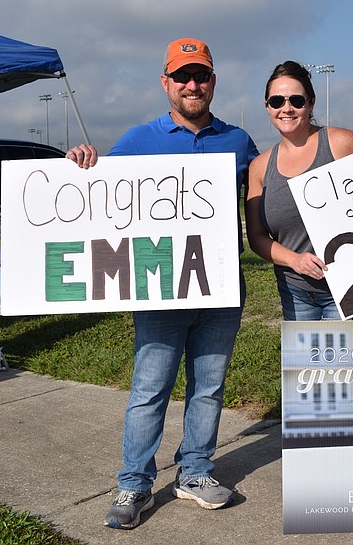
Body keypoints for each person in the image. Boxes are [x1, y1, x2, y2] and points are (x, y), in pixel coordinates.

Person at [66, 37, 258, 530]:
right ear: (165, 82)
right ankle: (134, 483)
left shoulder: (238, 141)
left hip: (220, 290)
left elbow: (274, 191)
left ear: (213, 81)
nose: (192, 85)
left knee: (209, 388)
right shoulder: (135, 141)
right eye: (182, 76)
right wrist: (81, 164)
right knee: (149, 389)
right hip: (159, 289)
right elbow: (99, 201)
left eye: (201, 76)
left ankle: (194, 472)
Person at [244, 60, 353, 321]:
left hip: (352, 285)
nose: (286, 108)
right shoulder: (259, 167)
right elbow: (256, 236)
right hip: (295, 292)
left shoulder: (341, 143)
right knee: (306, 364)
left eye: (296, 100)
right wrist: (294, 260)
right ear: (267, 107)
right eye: (277, 101)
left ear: (311, 103)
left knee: (343, 363)